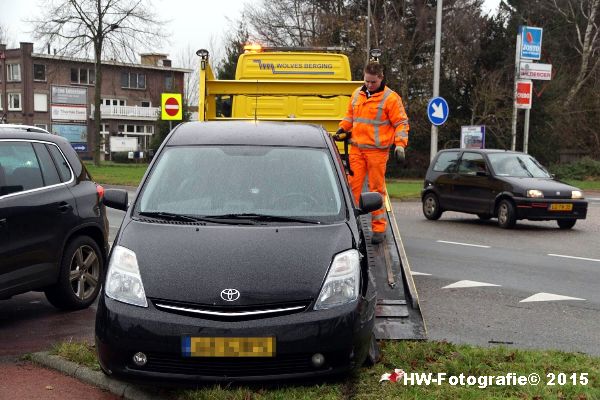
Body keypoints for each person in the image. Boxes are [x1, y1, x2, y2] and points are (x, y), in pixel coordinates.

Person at [335, 62, 409, 244]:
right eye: (366, 81)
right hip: (357, 149)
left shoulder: (391, 99)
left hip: (377, 152)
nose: (369, 84)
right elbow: (350, 117)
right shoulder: (356, 94)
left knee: (376, 191)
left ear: (381, 78)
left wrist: (400, 145)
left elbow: (401, 123)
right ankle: (351, 225)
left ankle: (379, 228)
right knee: (352, 189)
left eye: (373, 82)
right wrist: (342, 129)